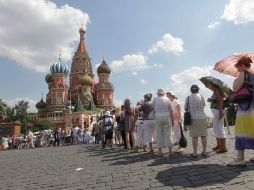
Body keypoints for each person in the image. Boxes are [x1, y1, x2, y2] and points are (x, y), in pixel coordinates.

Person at [228, 57, 254, 166]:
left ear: (243, 66)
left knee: (241, 130)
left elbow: (235, 89)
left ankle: (240, 158)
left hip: (245, 108)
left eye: (238, 68)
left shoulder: (243, 73)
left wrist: (235, 81)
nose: (238, 70)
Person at [184, 85, 208, 157]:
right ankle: (204, 151)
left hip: (192, 117)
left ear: (191, 90)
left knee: (195, 136)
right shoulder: (201, 96)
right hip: (202, 116)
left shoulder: (188, 98)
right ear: (198, 90)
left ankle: (195, 152)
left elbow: (186, 108)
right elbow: (204, 105)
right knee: (203, 135)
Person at [206, 82, 227, 153]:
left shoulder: (218, 90)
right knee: (216, 128)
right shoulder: (215, 91)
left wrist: (221, 111)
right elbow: (217, 100)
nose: (207, 85)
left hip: (218, 111)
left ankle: (223, 147)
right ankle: (219, 145)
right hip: (216, 111)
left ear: (213, 84)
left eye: (208, 84)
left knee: (220, 128)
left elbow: (221, 100)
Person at [152, 88, 174, 157]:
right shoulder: (167, 99)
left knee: (159, 134)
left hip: (158, 116)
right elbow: (171, 110)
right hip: (166, 116)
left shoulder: (155, 99)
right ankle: (170, 151)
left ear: (158, 93)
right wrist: (172, 120)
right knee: (168, 134)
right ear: (163, 93)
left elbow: (153, 109)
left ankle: (160, 152)